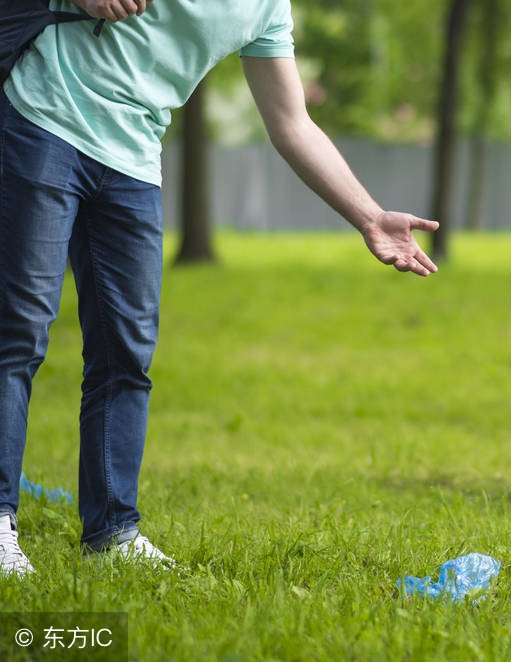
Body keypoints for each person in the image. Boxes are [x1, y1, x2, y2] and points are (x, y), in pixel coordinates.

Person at [0, 0, 439, 576]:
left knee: (125, 352)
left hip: (133, 159)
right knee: (19, 331)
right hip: (45, 119)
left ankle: (112, 531)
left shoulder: (267, 10)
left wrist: (369, 216)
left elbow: (292, 122)